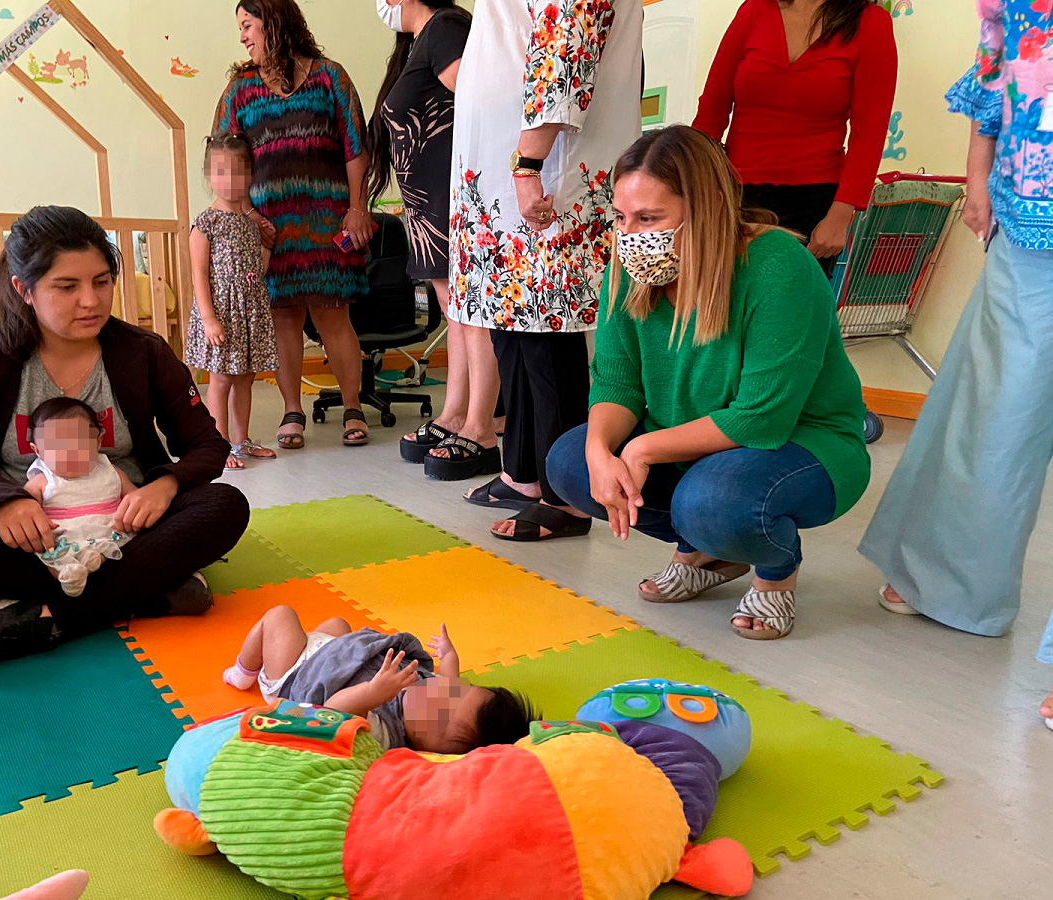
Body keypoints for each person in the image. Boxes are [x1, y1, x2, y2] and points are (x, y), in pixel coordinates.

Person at [0, 206, 249, 670]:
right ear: (24, 290)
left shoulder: (143, 353)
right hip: (29, 542)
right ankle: (148, 594)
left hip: (123, 531)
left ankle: (45, 617)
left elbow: (207, 445)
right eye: (67, 286)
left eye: (102, 281)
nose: (91, 301)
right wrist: (3, 501)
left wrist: (166, 484)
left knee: (225, 506)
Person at [546, 126, 870, 640]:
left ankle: (774, 572)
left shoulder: (779, 265)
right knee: (569, 463)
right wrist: (598, 450)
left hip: (803, 445)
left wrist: (644, 448)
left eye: (650, 218)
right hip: (696, 443)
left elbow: (760, 416)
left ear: (710, 204)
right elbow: (616, 383)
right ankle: (706, 552)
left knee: (714, 502)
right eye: (622, 218)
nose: (631, 235)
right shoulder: (628, 268)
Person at [859, 0, 1053, 729]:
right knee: (1000, 406)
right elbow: (999, 58)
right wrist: (977, 170)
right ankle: (948, 579)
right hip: (1034, 210)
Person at [436, 0, 643, 538]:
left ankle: (567, 494)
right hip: (507, 166)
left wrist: (528, 162)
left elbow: (566, 43)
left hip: (545, 163)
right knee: (513, 330)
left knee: (548, 334)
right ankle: (524, 471)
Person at [214, 0, 375, 449]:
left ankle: (352, 407)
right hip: (270, 229)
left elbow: (356, 147)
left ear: (274, 22)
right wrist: (245, 217)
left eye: (248, 26)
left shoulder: (330, 76)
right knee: (284, 319)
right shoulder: (240, 88)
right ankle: (292, 411)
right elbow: (225, 157)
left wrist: (359, 206)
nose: (243, 37)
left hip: (329, 222)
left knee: (333, 316)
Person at [364, 0, 494, 470]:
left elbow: (483, 104)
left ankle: (481, 424)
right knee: (453, 309)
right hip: (428, 204)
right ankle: (456, 413)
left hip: (449, 199)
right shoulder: (422, 38)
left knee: (470, 311)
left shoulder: (447, 28)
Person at [693, 0, 897, 273]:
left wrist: (839, 218)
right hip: (733, 196)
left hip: (814, 205)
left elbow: (870, 131)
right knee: (724, 308)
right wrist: (694, 188)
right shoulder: (754, 10)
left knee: (792, 310)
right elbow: (710, 113)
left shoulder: (871, 22)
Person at [223, 606, 537, 751]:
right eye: (454, 693)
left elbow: (335, 709)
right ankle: (316, 638)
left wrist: (373, 693)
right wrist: (448, 654)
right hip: (337, 655)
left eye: (441, 717)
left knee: (280, 616)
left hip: (298, 673)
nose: (437, 695)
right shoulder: (442, 691)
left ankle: (243, 672)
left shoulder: (384, 732)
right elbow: (448, 675)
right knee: (337, 621)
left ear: (429, 750)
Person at [185, 133, 278, 468]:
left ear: (250, 175)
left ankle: (241, 441)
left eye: (238, 172)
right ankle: (218, 444)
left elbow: (257, 269)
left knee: (245, 377)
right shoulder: (206, 223)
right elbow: (199, 276)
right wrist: (209, 319)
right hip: (222, 313)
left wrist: (266, 248)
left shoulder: (249, 223)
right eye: (221, 172)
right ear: (209, 176)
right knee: (221, 378)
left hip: (248, 311)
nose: (229, 180)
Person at [24, 397, 135, 598]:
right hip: (63, 538)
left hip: (110, 534)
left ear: (98, 442)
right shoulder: (42, 481)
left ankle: (96, 562)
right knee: (49, 556)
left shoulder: (111, 472)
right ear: (38, 451)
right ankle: (66, 576)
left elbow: (135, 498)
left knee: (126, 551)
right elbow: (24, 510)